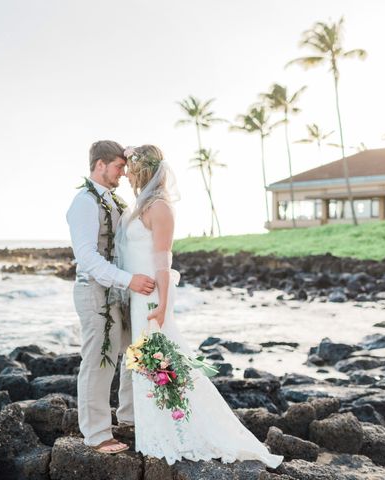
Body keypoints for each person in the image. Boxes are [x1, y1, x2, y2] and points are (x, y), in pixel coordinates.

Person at [118, 144, 284, 467]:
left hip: (154, 295)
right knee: (148, 365)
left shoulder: (160, 208)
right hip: (139, 295)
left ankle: (183, 427)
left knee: (162, 364)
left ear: (146, 171)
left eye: (132, 168)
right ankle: (158, 430)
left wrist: (163, 305)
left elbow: (163, 261)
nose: (128, 174)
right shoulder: (140, 206)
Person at [66, 140, 156, 454]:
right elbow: (88, 258)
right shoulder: (84, 203)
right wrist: (129, 280)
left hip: (120, 292)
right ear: (100, 165)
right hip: (94, 292)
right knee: (98, 361)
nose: (123, 172)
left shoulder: (117, 202)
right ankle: (96, 434)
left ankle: (130, 418)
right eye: (119, 166)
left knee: (134, 353)